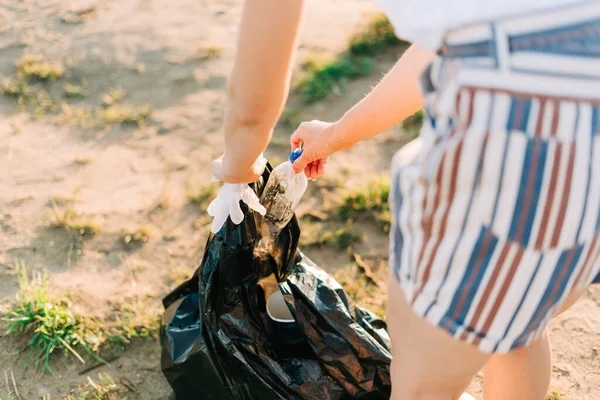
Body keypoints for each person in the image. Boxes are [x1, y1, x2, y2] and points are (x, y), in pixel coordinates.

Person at [212, 0, 600, 398]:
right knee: (520, 329)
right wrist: (334, 135)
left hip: (501, 150)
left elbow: (251, 101)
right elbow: (449, 40)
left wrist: (239, 168)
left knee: (421, 386)